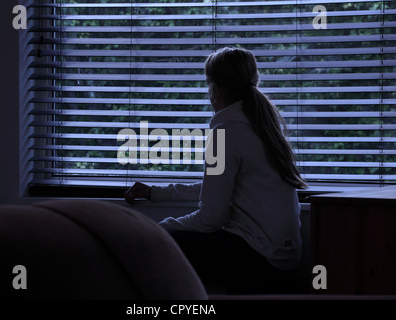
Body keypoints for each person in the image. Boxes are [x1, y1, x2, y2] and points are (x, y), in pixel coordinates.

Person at [124, 47, 308, 294]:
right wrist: (155, 193)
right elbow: (217, 187)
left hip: (261, 259)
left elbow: (211, 218)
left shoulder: (225, 133)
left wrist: (159, 228)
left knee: (151, 246)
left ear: (215, 89)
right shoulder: (260, 126)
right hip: (282, 259)